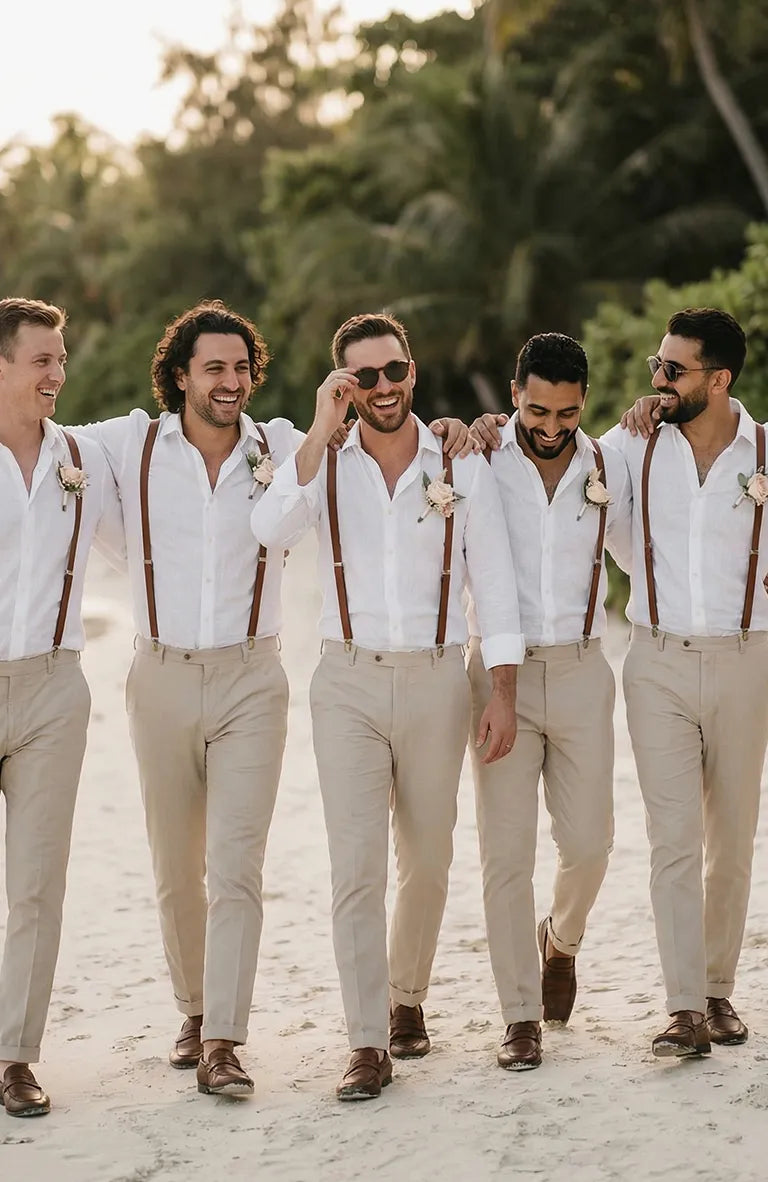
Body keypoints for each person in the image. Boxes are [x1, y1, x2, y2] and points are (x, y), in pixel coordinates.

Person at [72, 300, 471, 1099]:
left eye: (241, 368)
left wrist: (466, 426)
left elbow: (299, 505)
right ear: (179, 375)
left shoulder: (284, 444)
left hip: (253, 679)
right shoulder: (129, 444)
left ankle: (223, 1040)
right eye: (213, 368)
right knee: (174, 867)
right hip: (158, 673)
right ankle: (194, 1010)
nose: (230, 382)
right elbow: (44, 445)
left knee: (236, 867)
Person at [251, 311, 524, 1100]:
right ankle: (368, 1041)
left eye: (393, 370)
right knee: (356, 866)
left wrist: (502, 691)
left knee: (429, 861)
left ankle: (407, 995)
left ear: (412, 371)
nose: (382, 386)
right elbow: (270, 529)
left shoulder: (458, 461)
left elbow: (493, 580)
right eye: (362, 376)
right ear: (344, 385)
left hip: (440, 679)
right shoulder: (322, 464)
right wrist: (317, 429)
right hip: (347, 682)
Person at [603, 308, 768, 1056]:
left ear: (720, 378)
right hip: (658, 660)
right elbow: (549, 452)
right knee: (673, 838)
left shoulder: (764, 451)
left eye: (674, 370)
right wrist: (467, 430)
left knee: (730, 839)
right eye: (656, 366)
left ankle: (716, 989)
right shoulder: (632, 445)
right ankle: (682, 1009)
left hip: (746, 659)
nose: (659, 379)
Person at [467, 333, 632, 1069]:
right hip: (495, 674)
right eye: (538, 411)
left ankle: (560, 941)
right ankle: (519, 1017)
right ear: (515, 396)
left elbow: (645, 546)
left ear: (584, 402)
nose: (552, 426)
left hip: (581, 669)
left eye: (567, 412)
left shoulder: (608, 465)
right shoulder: (478, 458)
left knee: (591, 843)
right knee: (505, 853)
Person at [0, 297, 124, 1117]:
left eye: (62, 359)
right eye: (42, 359)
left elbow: (179, 442)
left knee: (38, 883)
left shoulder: (84, 456)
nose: (58, 374)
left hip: (53, 690)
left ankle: (14, 1056)